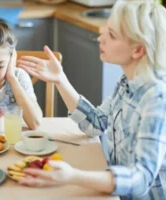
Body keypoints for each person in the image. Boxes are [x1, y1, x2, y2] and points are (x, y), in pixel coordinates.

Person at [17, 0, 166, 199]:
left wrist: (73, 176)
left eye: (111, 35)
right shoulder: (127, 82)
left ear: (138, 50)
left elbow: (141, 180)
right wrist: (60, 80)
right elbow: (96, 124)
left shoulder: (157, 99)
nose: (100, 38)